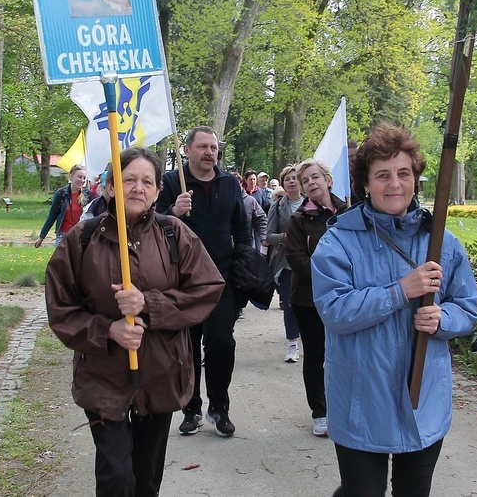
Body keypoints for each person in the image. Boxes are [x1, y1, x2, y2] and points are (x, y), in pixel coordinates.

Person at [44, 146, 225, 497]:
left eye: (147, 181)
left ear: (158, 190)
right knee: (116, 478)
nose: (138, 188)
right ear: (110, 187)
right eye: (128, 180)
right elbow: (61, 307)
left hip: (160, 374)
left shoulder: (174, 233)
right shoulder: (81, 240)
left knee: (145, 479)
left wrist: (149, 304)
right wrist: (106, 329)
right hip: (102, 378)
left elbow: (208, 287)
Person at [311, 122, 477, 496]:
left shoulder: (442, 242)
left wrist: (442, 319)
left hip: (422, 401)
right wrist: (401, 290)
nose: (394, 184)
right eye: (382, 175)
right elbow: (334, 310)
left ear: (416, 179)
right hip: (361, 400)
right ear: (366, 184)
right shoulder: (337, 243)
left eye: (404, 174)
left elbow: (466, 306)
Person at [155, 126, 251, 438]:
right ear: (186, 150)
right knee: (188, 347)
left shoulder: (229, 183)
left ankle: (219, 408)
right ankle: (191, 409)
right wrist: (173, 212)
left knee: (222, 342)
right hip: (184, 280)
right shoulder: (171, 182)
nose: (209, 152)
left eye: (213, 147)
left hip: (222, 279)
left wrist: (245, 263)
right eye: (202, 147)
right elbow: (151, 225)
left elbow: (242, 227)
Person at [284, 158, 348, 436]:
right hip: (308, 298)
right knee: (315, 355)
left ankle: (342, 407)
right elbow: (296, 258)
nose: (310, 183)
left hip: (346, 297)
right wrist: (329, 275)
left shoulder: (348, 212)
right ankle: (320, 412)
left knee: (344, 354)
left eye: (315, 178)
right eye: (305, 180)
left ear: (328, 180)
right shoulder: (299, 219)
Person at [266, 164, 304, 363]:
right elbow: (268, 236)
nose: (291, 181)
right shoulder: (278, 206)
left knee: (311, 305)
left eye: (294, 178)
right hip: (287, 264)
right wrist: (284, 237)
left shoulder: (311, 204)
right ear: (283, 184)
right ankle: (292, 346)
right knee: (290, 305)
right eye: (287, 179)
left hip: (310, 264)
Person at [35, 164, 93, 247]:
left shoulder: (87, 195)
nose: (82, 180)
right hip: (63, 235)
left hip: (81, 235)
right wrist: (41, 237)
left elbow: (92, 217)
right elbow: (52, 216)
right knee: (61, 259)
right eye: (79, 177)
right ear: (71, 177)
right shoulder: (61, 193)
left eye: (84, 178)